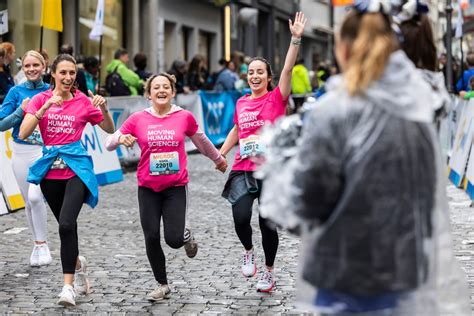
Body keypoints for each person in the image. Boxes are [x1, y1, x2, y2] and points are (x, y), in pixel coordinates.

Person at [258, 2, 470, 314]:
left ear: (344, 49)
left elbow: (307, 203)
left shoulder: (332, 112)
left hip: (345, 273)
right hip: (405, 269)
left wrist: (281, 169)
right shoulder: (417, 111)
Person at [104, 73, 227, 301]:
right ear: (148, 94)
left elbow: (200, 139)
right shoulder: (138, 118)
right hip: (148, 188)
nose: (161, 91)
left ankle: (185, 235)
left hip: (175, 187)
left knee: (173, 239)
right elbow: (108, 142)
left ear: (172, 91)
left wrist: (218, 159)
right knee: (151, 236)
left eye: (165, 87)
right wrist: (120, 139)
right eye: (156, 87)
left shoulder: (184, 116)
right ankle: (162, 284)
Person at [219, 12, 306, 293]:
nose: (255, 76)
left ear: (268, 77)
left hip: (270, 169)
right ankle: (248, 251)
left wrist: (295, 39)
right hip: (243, 168)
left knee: (267, 223)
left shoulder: (276, 98)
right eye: (251, 72)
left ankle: (268, 271)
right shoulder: (242, 102)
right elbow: (236, 130)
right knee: (241, 218)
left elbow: (289, 70)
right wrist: (221, 153)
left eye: (260, 72)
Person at [19, 54, 115, 306]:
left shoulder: (83, 100)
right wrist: (43, 108)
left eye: (72, 73)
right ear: (53, 73)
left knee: (65, 224)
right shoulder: (41, 99)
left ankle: (67, 288)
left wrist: (103, 107)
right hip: (50, 171)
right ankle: (77, 262)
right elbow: (23, 131)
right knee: (67, 228)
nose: (68, 77)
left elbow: (109, 128)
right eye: (63, 72)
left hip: (77, 169)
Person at [0, 50, 52, 267]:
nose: (31, 69)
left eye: (35, 65)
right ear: (22, 68)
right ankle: (37, 244)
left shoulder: (52, 91)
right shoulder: (15, 92)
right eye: (27, 66)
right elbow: (2, 124)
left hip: (43, 152)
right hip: (20, 153)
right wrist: (21, 111)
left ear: (44, 67)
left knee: (35, 197)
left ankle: (44, 245)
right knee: (29, 203)